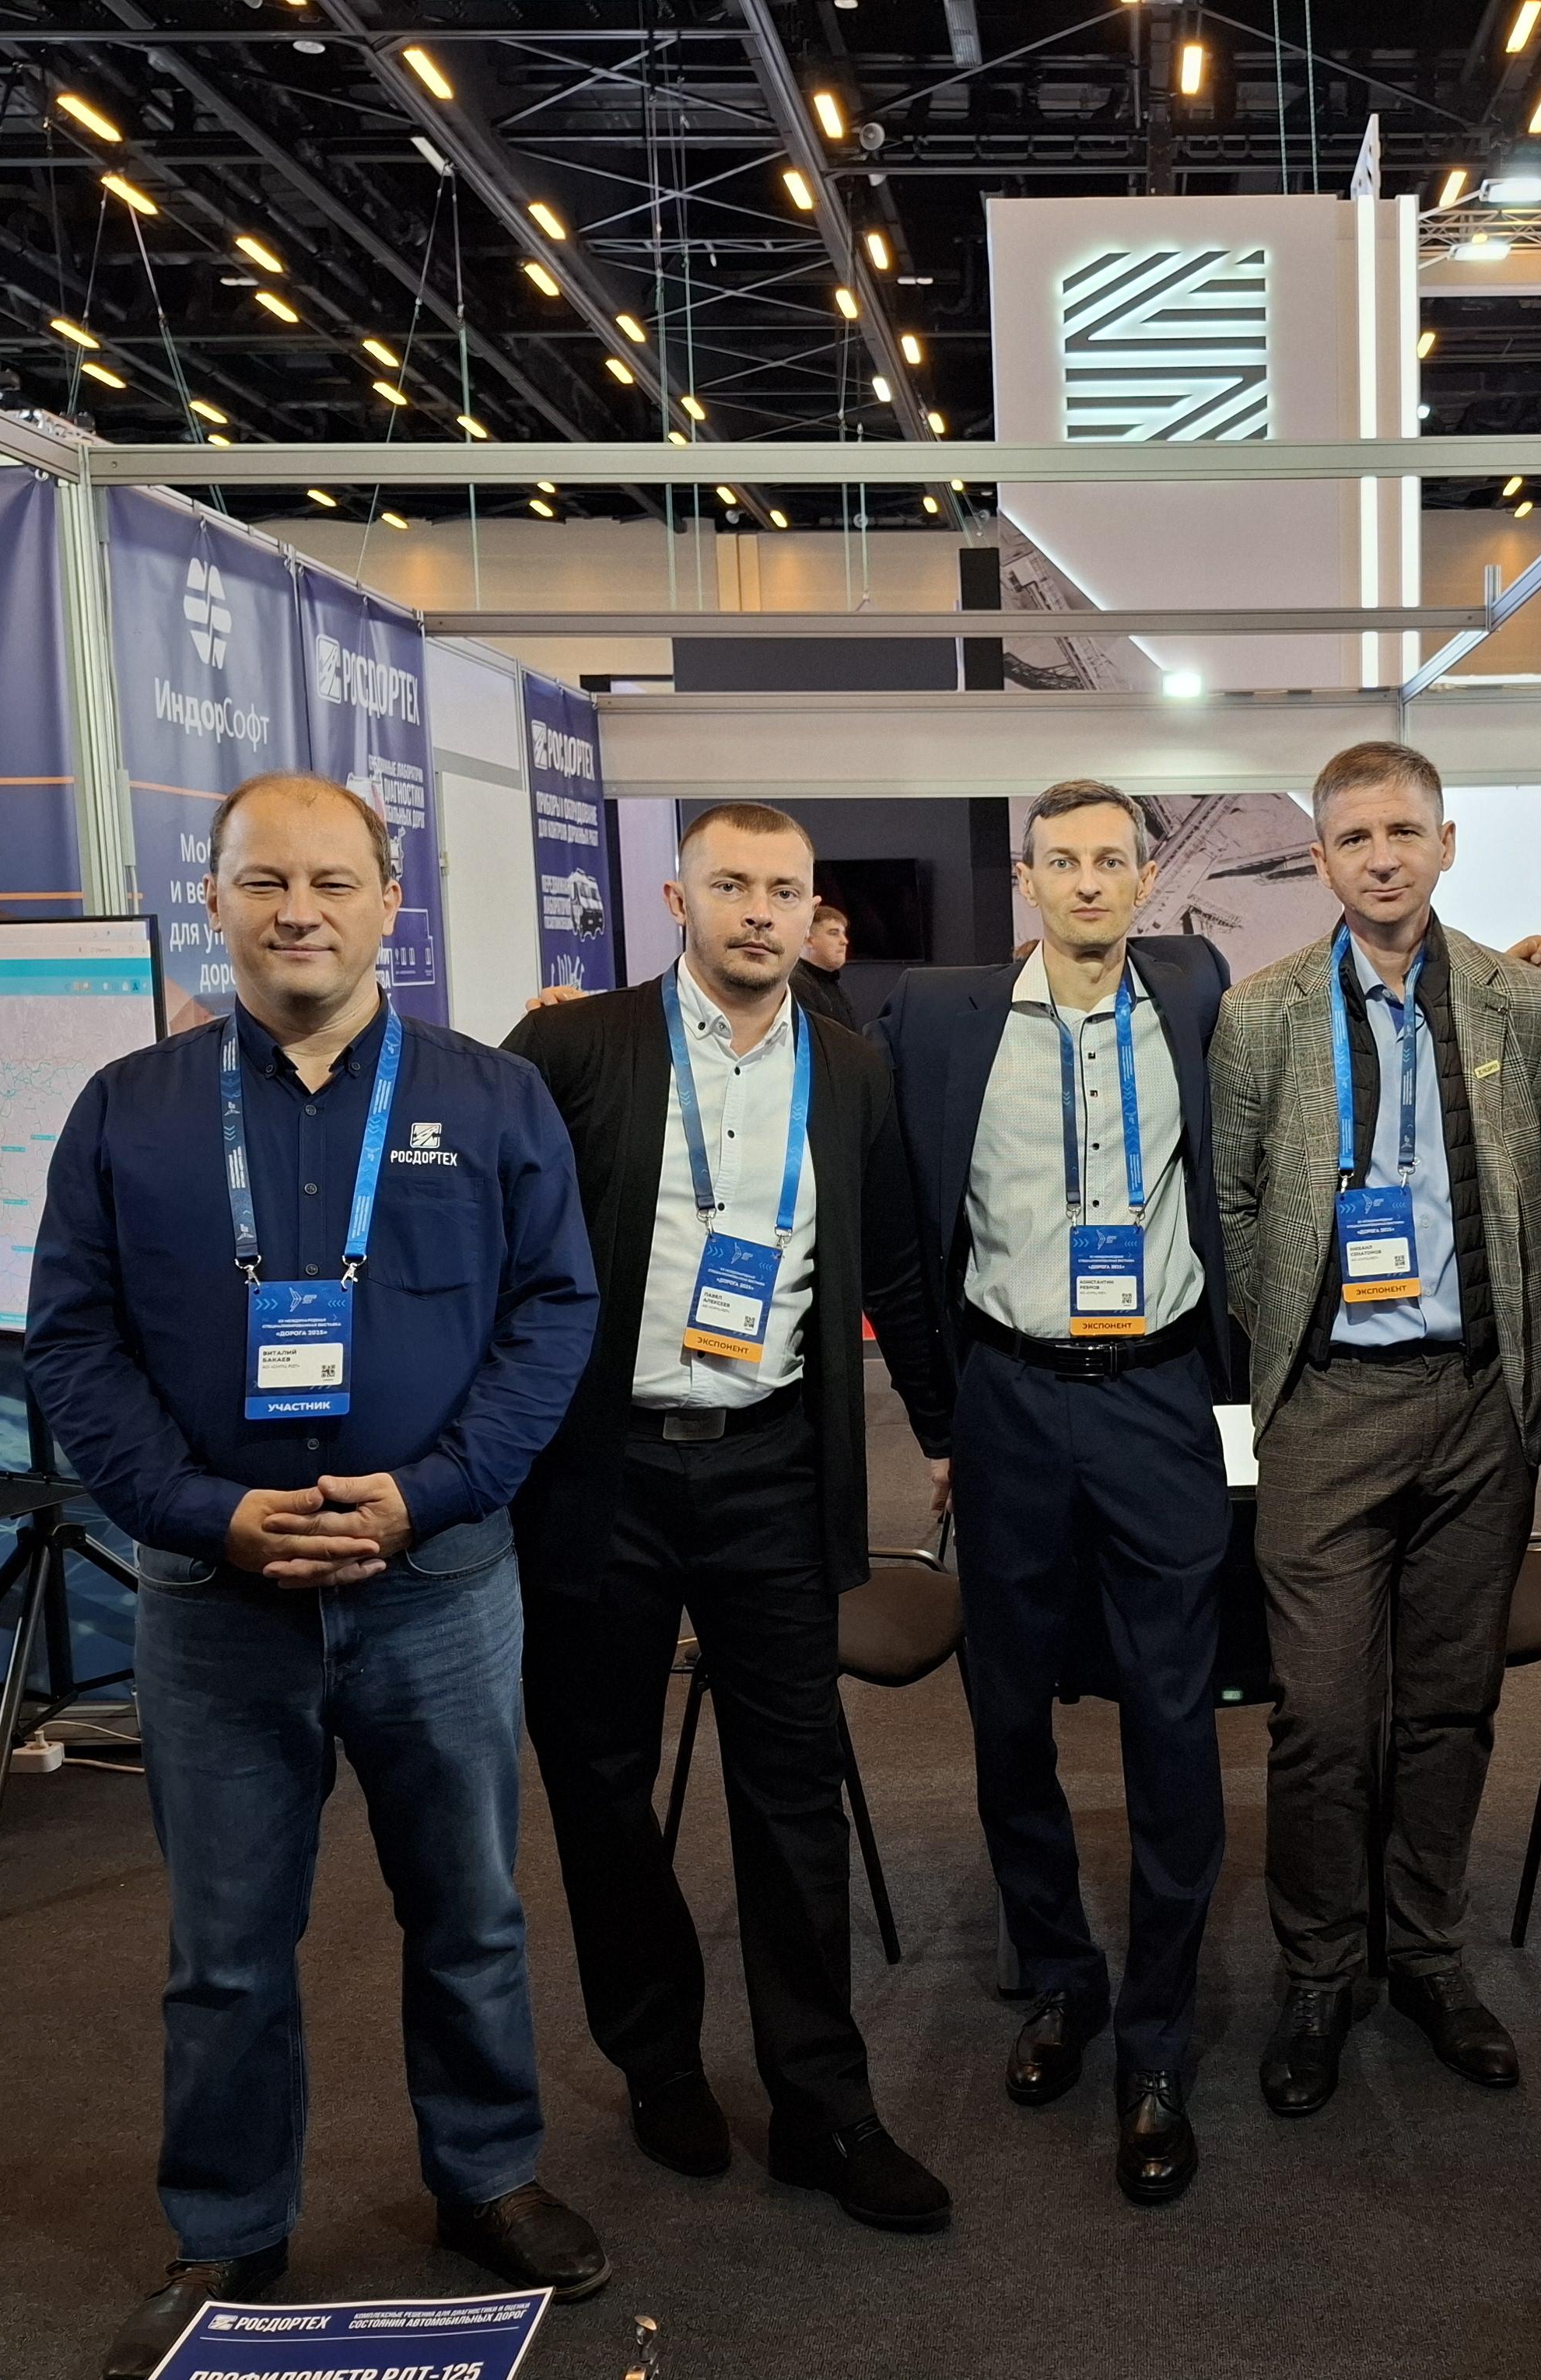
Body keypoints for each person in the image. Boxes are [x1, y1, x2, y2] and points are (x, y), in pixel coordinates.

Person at [27, 772, 607, 2380]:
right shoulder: (127, 1110)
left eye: (334, 881)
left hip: (439, 1584)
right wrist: (199, 1512)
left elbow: (555, 1313)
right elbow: (73, 1343)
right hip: (216, 1603)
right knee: (224, 1947)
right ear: (213, 898)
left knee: (471, 1913)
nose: (300, 911)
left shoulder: (492, 1099)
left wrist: (434, 1492)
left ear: (389, 903)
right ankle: (227, 2223)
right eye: (265, 880)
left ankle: (486, 2177)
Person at [501, 804, 956, 2235]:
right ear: (675, 898)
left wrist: (949, 1433)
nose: (759, 911)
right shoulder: (572, 1050)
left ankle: (824, 2105)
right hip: (603, 1475)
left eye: (784, 889)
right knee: (600, 1780)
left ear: (814, 909)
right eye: (732, 885)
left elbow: (896, 1265)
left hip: (772, 1471)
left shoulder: (853, 1069)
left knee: (792, 1789)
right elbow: (489, 1251)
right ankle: (658, 2063)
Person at [872, 779, 1231, 2207]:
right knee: (1009, 1712)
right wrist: (940, 1418)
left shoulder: (1196, 997)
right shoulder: (938, 1020)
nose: (1089, 881)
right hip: (1010, 1399)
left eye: (1113, 860)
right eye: (1063, 860)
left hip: (1157, 1397)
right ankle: (1064, 1975)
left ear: (1147, 880)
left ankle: (1158, 2035)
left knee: (1173, 1721)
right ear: (1026, 880)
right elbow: (884, 1197)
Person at [1210, 740, 1541, 2117]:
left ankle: (1425, 1953)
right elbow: (1234, 1202)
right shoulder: (1263, 1014)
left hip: (1479, 1404)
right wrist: (1290, 1333)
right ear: (1320, 861)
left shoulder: (1525, 1005)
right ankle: (1319, 1969)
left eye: (1404, 831)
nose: (1382, 857)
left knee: (1452, 1706)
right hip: (1330, 1409)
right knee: (1321, 1716)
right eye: (1354, 838)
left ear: (1447, 842)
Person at [793, 900, 856, 1031]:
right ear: (808, 940)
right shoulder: (796, 985)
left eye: (843, 933)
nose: (844, 941)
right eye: (834, 933)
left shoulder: (836, 988)